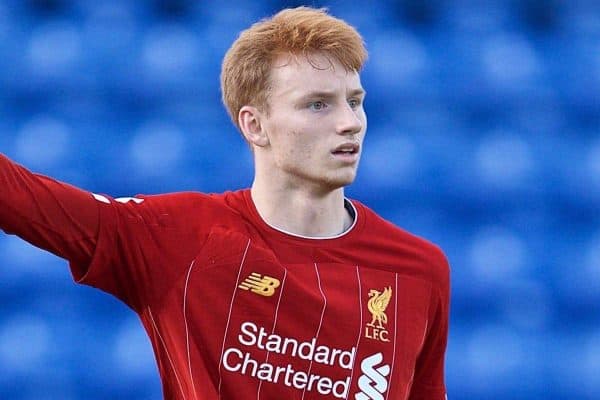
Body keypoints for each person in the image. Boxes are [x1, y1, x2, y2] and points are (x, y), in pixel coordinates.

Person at [0, 6, 450, 400]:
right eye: (318, 105)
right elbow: (21, 198)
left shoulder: (417, 270)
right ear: (255, 126)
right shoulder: (180, 238)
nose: (350, 123)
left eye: (355, 102)